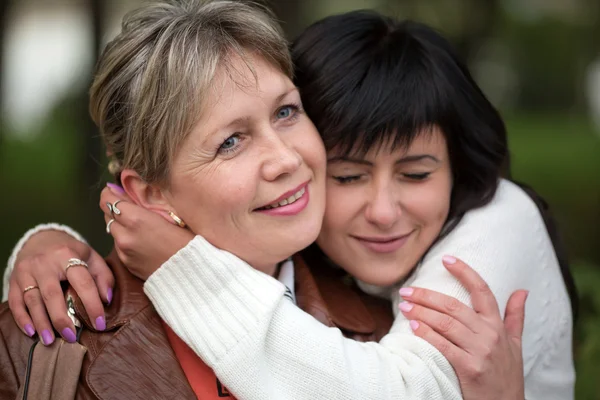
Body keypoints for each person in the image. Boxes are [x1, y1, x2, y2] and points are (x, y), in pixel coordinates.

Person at [2, 2, 548, 399]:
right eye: (231, 141)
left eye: (286, 112)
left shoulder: (382, 323)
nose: (285, 158)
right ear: (150, 193)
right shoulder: (46, 339)